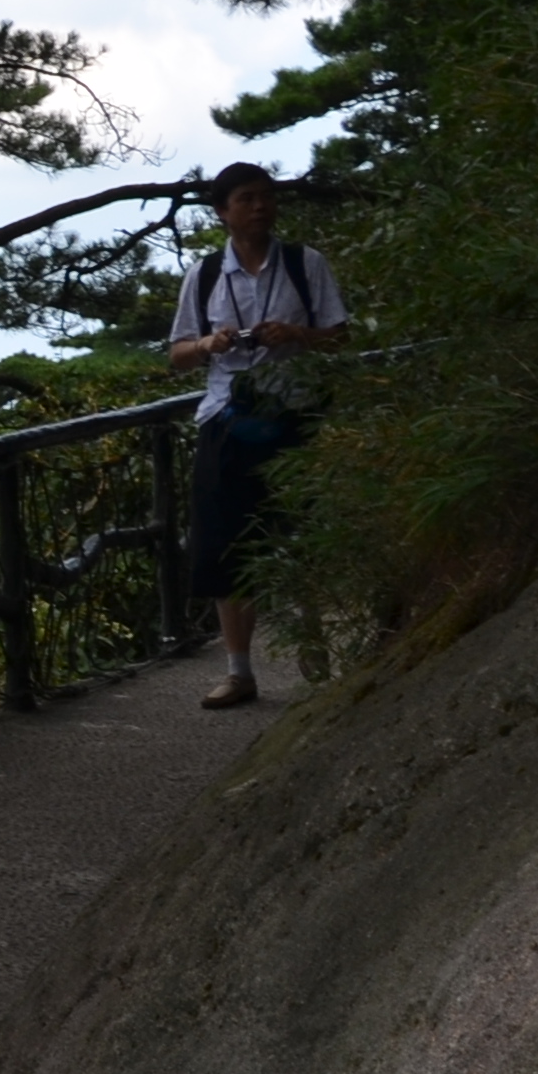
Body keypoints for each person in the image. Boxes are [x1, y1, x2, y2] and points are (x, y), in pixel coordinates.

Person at [165, 159, 351, 709]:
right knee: (227, 547)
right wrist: (208, 345)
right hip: (226, 419)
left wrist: (297, 334)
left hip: (295, 412)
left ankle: (314, 647)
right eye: (246, 198)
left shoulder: (303, 264)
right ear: (222, 212)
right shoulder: (203, 275)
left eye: (266, 196)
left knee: (302, 534)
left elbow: (341, 337)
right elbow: (177, 354)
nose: (261, 206)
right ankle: (239, 671)